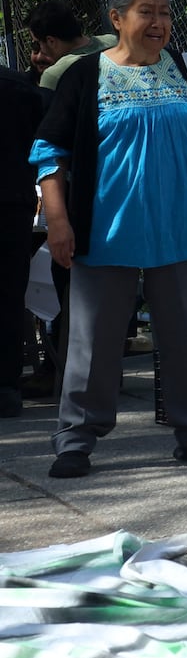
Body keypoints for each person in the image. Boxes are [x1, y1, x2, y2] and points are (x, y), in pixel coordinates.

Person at [31, 0, 187, 479]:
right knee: (93, 339)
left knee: (185, 334)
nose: (160, 23)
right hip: (106, 229)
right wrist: (57, 220)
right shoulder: (83, 76)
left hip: (180, 226)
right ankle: (76, 439)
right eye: (147, 12)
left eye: (165, 12)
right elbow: (49, 153)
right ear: (117, 19)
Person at [0, 65, 46, 417]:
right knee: (10, 293)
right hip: (12, 202)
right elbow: (44, 143)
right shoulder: (18, 86)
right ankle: (6, 387)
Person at [27, 0, 117, 92]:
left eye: (36, 45)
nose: (38, 54)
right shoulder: (115, 42)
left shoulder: (56, 75)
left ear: (51, 41)